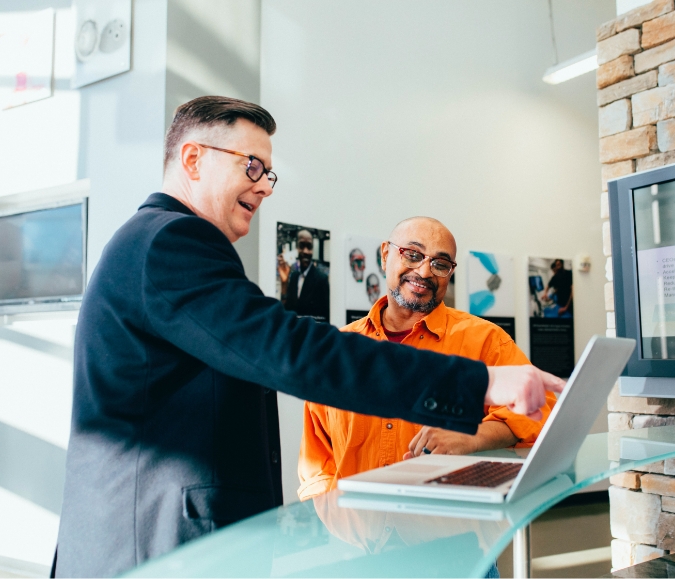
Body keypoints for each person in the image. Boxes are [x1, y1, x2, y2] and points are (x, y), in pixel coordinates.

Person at [53, 96, 564, 577]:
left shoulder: (156, 243)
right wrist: (479, 385)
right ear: (192, 160)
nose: (265, 186)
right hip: (155, 546)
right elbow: (291, 350)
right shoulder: (171, 241)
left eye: (268, 173)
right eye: (251, 165)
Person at [298, 217, 557, 501]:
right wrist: (332, 524)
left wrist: (472, 436)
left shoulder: (486, 340)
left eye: (440, 264)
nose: (424, 271)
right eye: (412, 254)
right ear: (385, 255)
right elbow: (316, 463)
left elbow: (542, 410)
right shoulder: (340, 350)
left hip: (448, 531)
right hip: (356, 535)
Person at [277, 229, 330, 322]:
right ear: (296, 248)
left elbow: (325, 318)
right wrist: (284, 283)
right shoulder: (294, 276)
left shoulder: (321, 279)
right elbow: (287, 311)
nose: (305, 251)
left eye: (309, 247)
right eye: (301, 246)